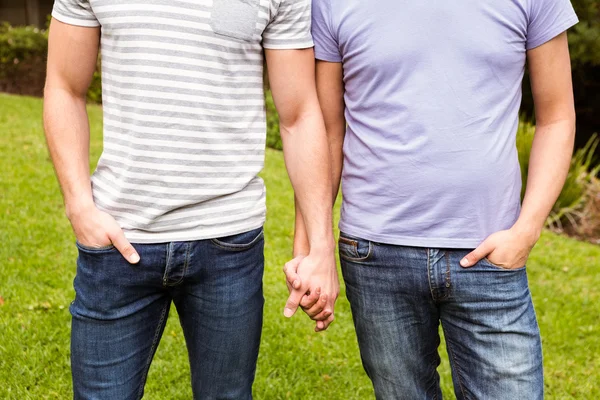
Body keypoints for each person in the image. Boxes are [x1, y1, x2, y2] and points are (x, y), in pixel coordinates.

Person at [43, 0, 338, 398]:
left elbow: (300, 113)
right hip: (118, 240)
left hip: (229, 244)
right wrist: (79, 205)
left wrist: (321, 245)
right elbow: (64, 86)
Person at [286, 0, 578, 398]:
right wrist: (308, 250)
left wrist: (526, 231)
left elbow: (557, 116)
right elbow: (326, 134)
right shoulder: (331, 4)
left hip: (489, 255)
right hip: (376, 256)